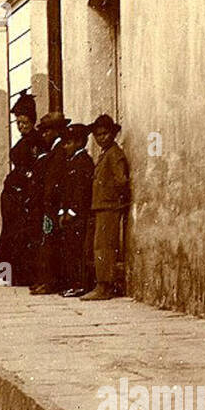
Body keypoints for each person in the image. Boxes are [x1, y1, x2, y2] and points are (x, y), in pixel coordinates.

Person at [0, 90, 41, 286]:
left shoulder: (36, 141)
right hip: (12, 196)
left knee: (22, 235)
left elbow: (36, 168)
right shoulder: (22, 141)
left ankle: (22, 276)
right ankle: (6, 275)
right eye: (18, 123)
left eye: (25, 122)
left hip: (24, 195)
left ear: (32, 121)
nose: (21, 126)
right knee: (9, 232)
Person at [82, 114, 130, 301]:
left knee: (105, 247)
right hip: (101, 206)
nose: (101, 137)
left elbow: (121, 181)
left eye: (105, 134)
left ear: (113, 134)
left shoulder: (115, 154)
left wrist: (116, 200)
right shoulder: (105, 154)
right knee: (99, 246)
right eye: (98, 135)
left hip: (109, 206)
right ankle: (101, 283)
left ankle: (105, 286)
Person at [30, 112, 70, 295]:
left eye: (48, 131)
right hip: (48, 205)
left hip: (54, 206)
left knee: (51, 242)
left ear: (57, 131)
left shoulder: (60, 150)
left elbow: (58, 181)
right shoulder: (53, 150)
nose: (44, 135)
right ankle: (45, 280)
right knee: (46, 241)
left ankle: (51, 282)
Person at [58, 123, 95, 296]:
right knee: (69, 250)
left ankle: (80, 284)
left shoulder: (83, 162)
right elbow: (65, 191)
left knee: (78, 251)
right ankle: (72, 283)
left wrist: (71, 213)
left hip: (78, 216)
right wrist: (61, 211)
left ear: (79, 142)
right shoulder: (71, 162)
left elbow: (82, 191)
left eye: (68, 143)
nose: (65, 147)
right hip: (68, 215)